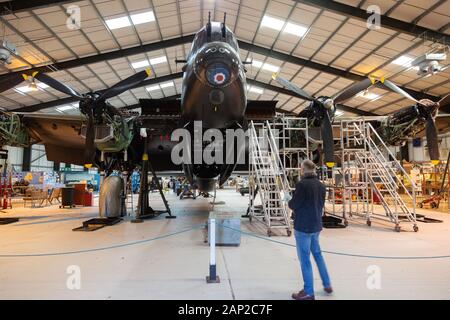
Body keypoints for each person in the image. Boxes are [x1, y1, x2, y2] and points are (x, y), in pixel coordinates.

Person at [287, 159, 332, 300]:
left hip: (303, 227)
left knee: (305, 260)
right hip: (316, 226)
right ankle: (327, 284)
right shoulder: (321, 185)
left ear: (303, 170)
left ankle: (308, 292)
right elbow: (319, 205)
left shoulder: (302, 185)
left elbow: (294, 204)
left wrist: (288, 199)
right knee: (318, 255)